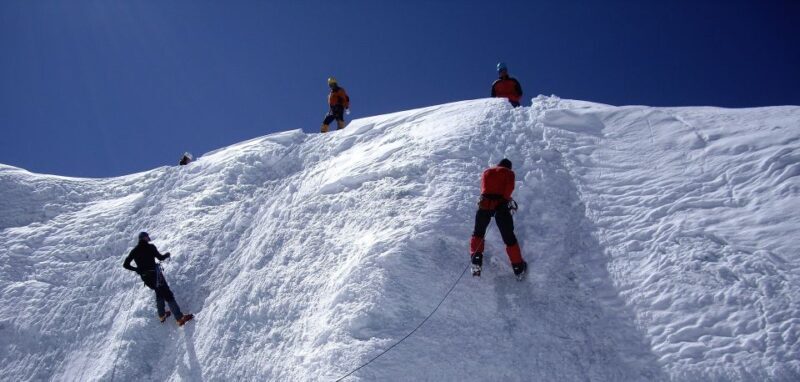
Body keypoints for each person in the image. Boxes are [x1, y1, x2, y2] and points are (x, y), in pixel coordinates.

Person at [469, 159, 527, 278]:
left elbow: (484, 189)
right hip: (501, 207)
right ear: (509, 167)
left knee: (478, 234)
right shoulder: (509, 173)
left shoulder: (487, 172)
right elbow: (509, 189)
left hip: (484, 204)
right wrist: (505, 200)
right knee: (509, 238)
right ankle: (518, 268)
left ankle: (476, 263)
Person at [123, 232, 194, 326]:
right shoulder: (150, 247)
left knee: (159, 292)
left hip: (146, 278)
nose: (149, 238)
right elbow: (160, 257)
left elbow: (125, 265)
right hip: (156, 276)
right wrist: (167, 254)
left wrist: (137, 269)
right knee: (168, 295)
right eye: (147, 236)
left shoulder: (134, 251)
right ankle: (180, 318)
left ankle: (162, 315)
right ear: (144, 238)